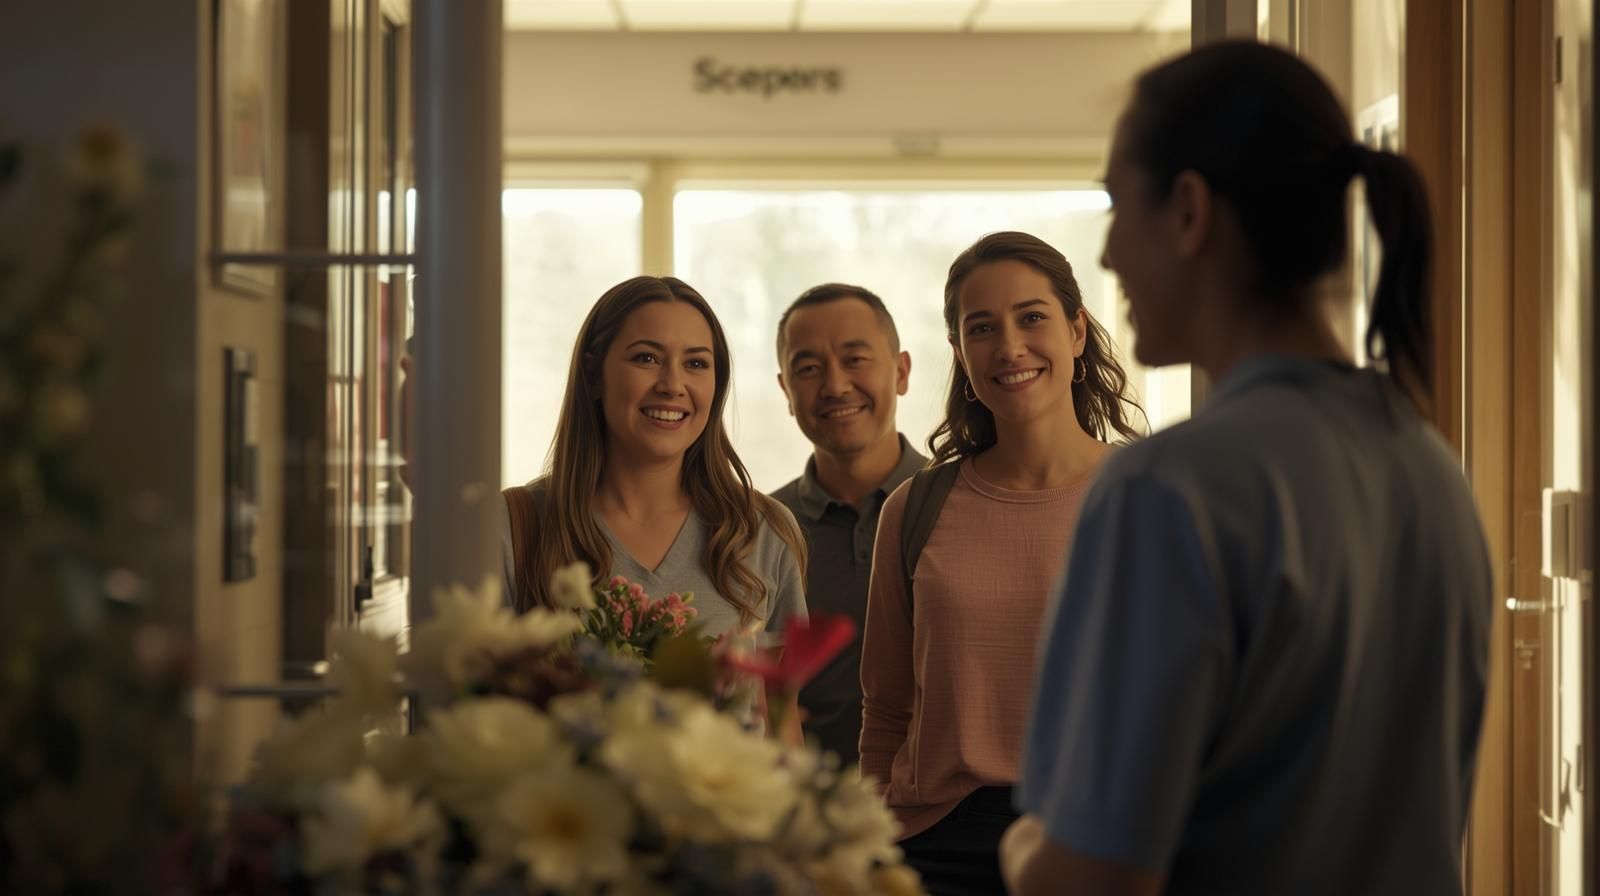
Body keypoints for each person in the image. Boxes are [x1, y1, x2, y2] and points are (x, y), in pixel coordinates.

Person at [1002, 41, 1493, 895]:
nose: (1111, 254)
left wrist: (1022, 848)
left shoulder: (1169, 491)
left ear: (1188, 212)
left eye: (1119, 205)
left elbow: (1089, 881)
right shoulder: (1432, 471)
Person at [858, 232, 1144, 895]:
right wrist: (869, 846)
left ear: (1076, 331)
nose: (1009, 346)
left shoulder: (1148, 498)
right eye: (981, 328)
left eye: (1032, 317)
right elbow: (886, 710)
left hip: (1099, 840)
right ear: (960, 354)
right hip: (933, 847)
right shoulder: (914, 507)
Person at [499, 276, 809, 713]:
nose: (672, 384)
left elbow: (780, 726)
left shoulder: (764, 532)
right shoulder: (513, 527)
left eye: (697, 364)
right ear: (593, 375)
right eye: (646, 358)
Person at [770, 283, 926, 766]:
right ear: (785, 391)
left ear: (900, 372)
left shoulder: (961, 504)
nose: (835, 385)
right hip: (806, 814)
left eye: (855, 359)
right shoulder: (758, 530)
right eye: (809, 368)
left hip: (948, 816)